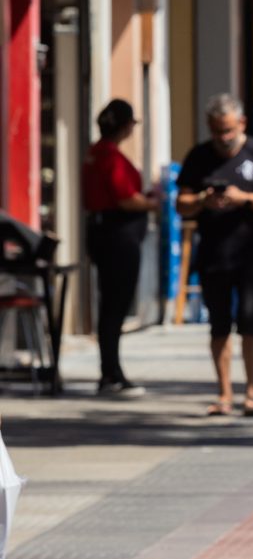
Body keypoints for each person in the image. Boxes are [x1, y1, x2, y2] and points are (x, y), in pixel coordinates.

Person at [177, 94, 253, 417]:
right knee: (219, 326)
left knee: (252, 322)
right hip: (213, 253)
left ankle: (252, 391)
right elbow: (180, 203)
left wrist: (244, 198)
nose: (222, 138)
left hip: (250, 253)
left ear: (241, 123)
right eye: (215, 131)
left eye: (227, 130)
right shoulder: (198, 156)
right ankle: (224, 393)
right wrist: (201, 199)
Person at [82, 99, 159, 397]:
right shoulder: (109, 156)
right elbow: (127, 200)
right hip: (117, 236)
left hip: (105, 233)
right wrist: (155, 203)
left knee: (110, 305)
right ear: (125, 126)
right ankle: (110, 373)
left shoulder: (94, 153)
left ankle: (110, 370)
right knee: (115, 305)